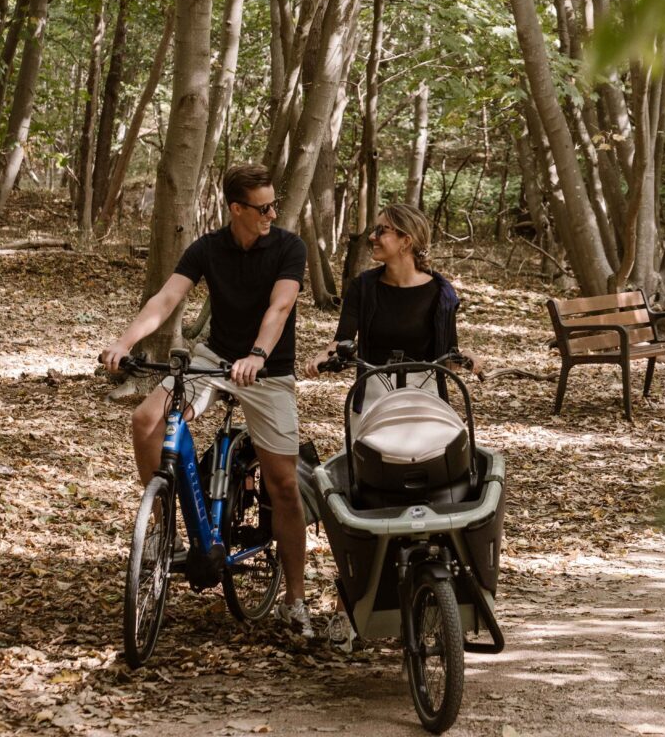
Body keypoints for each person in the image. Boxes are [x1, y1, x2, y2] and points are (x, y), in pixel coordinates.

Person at [101, 164, 313, 637]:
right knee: (146, 420)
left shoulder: (287, 247)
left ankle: (295, 598)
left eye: (274, 205)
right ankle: (163, 522)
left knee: (283, 486)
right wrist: (124, 342)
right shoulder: (207, 249)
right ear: (236, 209)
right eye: (263, 207)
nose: (272, 214)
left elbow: (280, 308)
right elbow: (165, 299)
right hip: (214, 359)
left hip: (267, 370)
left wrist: (258, 354)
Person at [305, 202, 481, 650]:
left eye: (381, 231)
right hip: (375, 393)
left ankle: (444, 596)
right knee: (364, 496)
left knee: (443, 488)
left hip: (426, 395)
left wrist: (466, 359)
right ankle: (349, 609)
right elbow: (346, 338)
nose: (372, 238)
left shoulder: (441, 292)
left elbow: (449, 347)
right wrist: (330, 356)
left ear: (406, 240)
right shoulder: (364, 287)